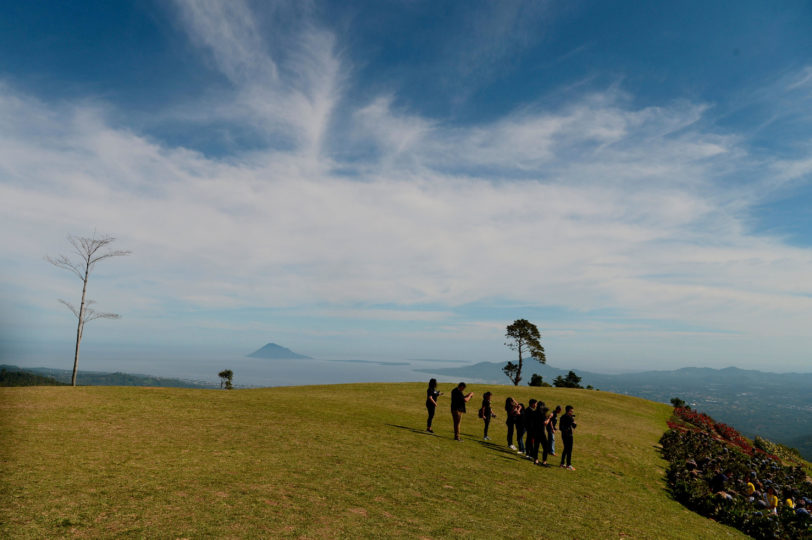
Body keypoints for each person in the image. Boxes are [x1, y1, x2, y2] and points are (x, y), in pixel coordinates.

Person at [559, 405, 577, 470]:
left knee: (566, 449)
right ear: (568, 411)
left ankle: (562, 463)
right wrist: (574, 422)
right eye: (571, 411)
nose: (572, 412)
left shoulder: (563, 417)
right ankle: (568, 465)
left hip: (564, 435)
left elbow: (560, 427)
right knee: (568, 450)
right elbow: (574, 426)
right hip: (568, 435)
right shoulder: (568, 418)